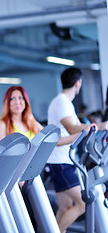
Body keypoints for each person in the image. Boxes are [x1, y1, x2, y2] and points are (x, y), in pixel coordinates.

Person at [46, 67, 108, 232]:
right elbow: (73, 128)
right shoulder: (61, 102)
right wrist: (99, 125)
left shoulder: (64, 103)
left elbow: (76, 129)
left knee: (65, 207)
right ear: (78, 83)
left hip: (62, 160)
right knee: (82, 203)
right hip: (61, 162)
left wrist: (92, 128)